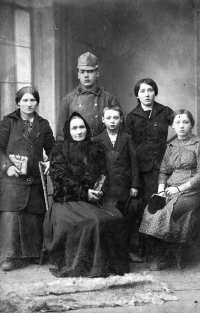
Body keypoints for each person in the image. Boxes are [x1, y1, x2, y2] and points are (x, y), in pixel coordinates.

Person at [43, 112, 129, 278]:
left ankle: (109, 266)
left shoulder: (95, 148)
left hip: (93, 199)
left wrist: (99, 190)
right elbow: (62, 180)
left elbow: (102, 174)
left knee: (115, 217)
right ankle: (90, 267)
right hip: (67, 201)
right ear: (68, 131)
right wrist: (85, 193)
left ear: (87, 129)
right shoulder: (59, 149)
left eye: (82, 127)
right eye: (74, 128)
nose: (79, 131)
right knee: (92, 221)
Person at [0, 86, 55, 271]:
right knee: (11, 215)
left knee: (34, 215)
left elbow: (53, 150)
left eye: (32, 100)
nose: (29, 104)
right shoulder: (8, 122)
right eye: (25, 100)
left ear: (37, 102)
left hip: (35, 180)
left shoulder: (43, 124)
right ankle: (9, 255)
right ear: (18, 102)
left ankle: (32, 254)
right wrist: (7, 168)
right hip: (12, 181)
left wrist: (51, 163)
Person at [139, 110, 200, 270]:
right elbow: (164, 171)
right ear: (172, 125)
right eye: (178, 122)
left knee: (166, 212)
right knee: (151, 210)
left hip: (190, 191)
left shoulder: (198, 144)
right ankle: (160, 254)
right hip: (170, 190)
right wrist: (160, 191)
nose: (181, 125)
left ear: (192, 125)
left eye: (185, 122)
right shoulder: (171, 146)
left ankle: (164, 256)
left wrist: (179, 188)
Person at [125, 78, 174, 258]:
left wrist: (172, 146)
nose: (147, 94)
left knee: (160, 207)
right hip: (141, 170)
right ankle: (143, 250)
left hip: (163, 167)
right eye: (142, 91)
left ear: (155, 92)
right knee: (143, 208)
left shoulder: (165, 111)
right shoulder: (131, 117)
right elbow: (128, 146)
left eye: (150, 90)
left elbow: (182, 124)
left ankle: (159, 252)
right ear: (137, 95)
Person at [93, 106, 142, 262]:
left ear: (121, 119)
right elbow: (95, 167)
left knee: (127, 220)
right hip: (107, 187)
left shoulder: (127, 138)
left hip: (125, 187)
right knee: (110, 220)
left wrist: (135, 185)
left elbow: (134, 163)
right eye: (109, 118)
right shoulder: (97, 140)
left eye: (115, 118)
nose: (112, 121)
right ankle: (110, 254)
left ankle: (127, 252)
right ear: (103, 120)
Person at [56, 52, 124, 140]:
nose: (86, 75)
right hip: (76, 149)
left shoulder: (109, 98)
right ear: (78, 75)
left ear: (97, 73)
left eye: (90, 71)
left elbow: (119, 131)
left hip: (102, 148)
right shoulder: (68, 99)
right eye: (82, 72)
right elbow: (61, 135)